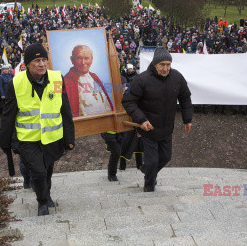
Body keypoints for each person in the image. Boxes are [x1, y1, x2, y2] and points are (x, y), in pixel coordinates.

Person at [0, 43, 75, 216]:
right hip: (28, 139)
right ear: (27, 64)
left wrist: (70, 138)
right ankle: (42, 202)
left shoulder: (57, 79)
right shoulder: (15, 84)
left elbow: (65, 108)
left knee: (47, 169)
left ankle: (46, 194)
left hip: (52, 137)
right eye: (37, 60)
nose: (41, 64)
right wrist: (5, 141)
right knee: (38, 171)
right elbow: (8, 115)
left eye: (44, 60)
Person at [122, 47, 193, 192]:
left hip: (167, 128)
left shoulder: (177, 78)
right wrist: (141, 120)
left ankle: (147, 169)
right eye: (162, 65)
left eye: (168, 64)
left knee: (166, 157)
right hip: (149, 128)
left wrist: (187, 119)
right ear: (155, 64)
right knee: (152, 160)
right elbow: (128, 101)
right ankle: (149, 187)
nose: (165, 68)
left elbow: (185, 98)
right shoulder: (142, 79)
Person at [64, 45, 113, 117]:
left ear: (91, 59)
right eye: (79, 58)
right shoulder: (66, 81)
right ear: (72, 60)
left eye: (86, 58)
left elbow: (106, 104)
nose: (83, 63)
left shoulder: (94, 77)